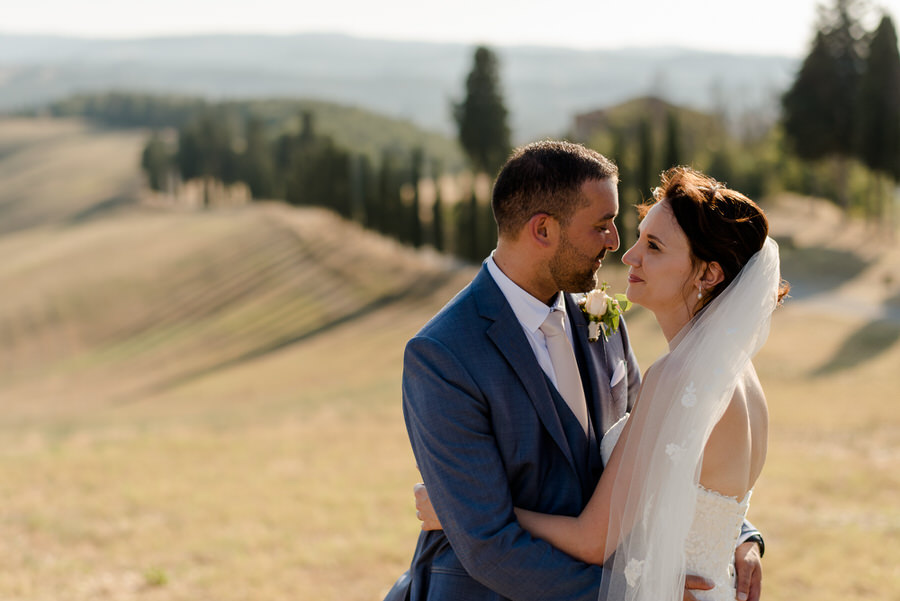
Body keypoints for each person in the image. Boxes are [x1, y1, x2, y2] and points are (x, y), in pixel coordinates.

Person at [385, 142, 763, 601]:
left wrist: (734, 534)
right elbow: (488, 545)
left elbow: (669, 447)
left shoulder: (602, 317)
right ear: (543, 229)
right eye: (602, 225)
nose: (616, 244)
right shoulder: (443, 354)